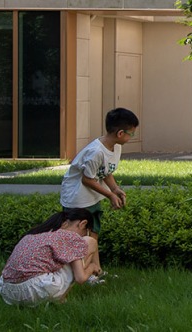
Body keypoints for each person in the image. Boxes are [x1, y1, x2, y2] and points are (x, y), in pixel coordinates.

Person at [61, 106, 139, 266]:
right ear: (120, 133)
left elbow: (105, 172)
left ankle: (95, 270)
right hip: (77, 201)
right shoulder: (96, 152)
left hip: (92, 199)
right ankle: (80, 272)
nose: (131, 137)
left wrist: (115, 189)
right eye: (131, 134)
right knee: (79, 239)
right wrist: (110, 195)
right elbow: (87, 180)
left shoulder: (115, 147)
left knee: (93, 235)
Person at [0, 208, 103, 306]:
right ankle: (61, 299)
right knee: (90, 242)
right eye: (86, 232)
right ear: (83, 224)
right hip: (35, 291)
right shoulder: (71, 236)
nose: (82, 236)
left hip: (7, 292)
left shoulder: (33, 234)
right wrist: (93, 267)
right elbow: (81, 278)